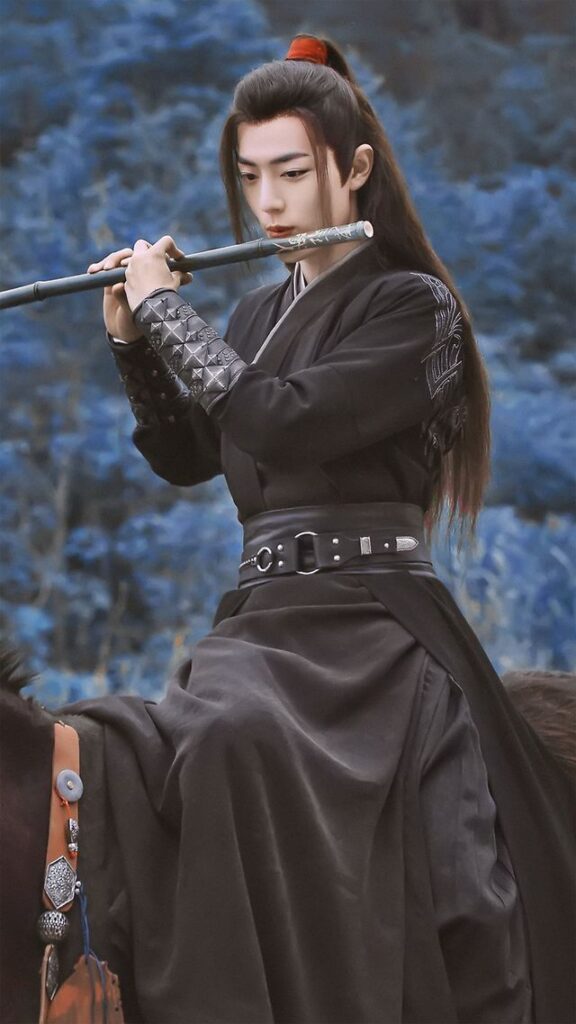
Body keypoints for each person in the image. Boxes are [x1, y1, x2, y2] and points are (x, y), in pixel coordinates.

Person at [80, 35, 574, 1024]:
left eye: (293, 173)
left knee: (253, 747)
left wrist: (169, 312)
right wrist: (134, 343)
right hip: (262, 624)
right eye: (250, 175)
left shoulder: (415, 309)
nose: (269, 201)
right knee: (184, 748)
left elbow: (280, 422)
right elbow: (190, 454)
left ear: (354, 169)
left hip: (373, 627)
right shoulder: (257, 313)